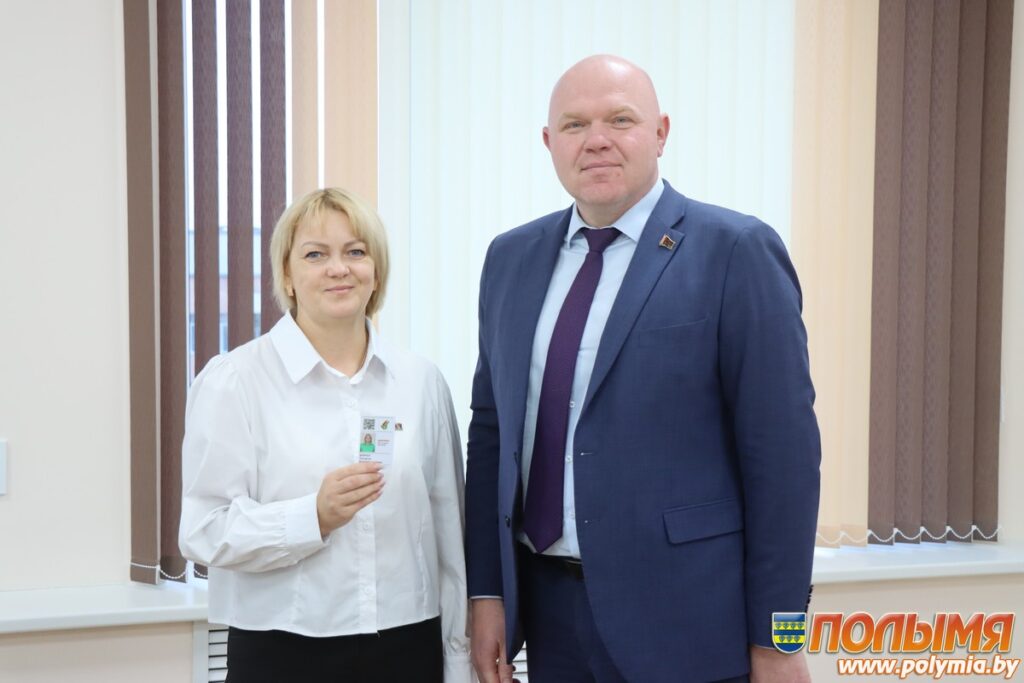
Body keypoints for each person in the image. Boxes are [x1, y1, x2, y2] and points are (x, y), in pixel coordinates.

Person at [464, 55, 820, 683]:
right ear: (549, 142)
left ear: (661, 132)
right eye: (574, 125)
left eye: (620, 120)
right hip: (548, 620)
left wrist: (780, 639)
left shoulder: (735, 251)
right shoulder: (510, 259)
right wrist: (487, 593)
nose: (596, 140)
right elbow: (491, 435)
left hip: (690, 625)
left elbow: (783, 462)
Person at [179, 188, 472, 682]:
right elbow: (204, 530)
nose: (339, 268)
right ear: (287, 275)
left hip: (408, 647)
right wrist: (311, 517)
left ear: (376, 271)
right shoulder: (235, 381)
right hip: (281, 651)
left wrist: (458, 659)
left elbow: (450, 535)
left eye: (355, 252)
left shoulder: (420, 382)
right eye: (315, 255)